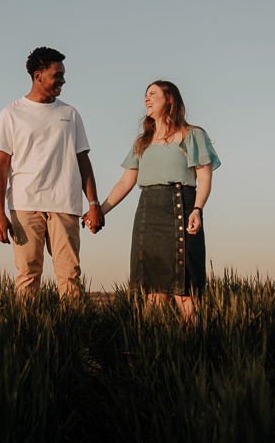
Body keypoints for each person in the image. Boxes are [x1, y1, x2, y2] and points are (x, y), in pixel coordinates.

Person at [91, 80, 220, 318]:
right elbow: (125, 182)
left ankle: (195, 345)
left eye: (152, 94)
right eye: (145, 95)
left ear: (169, 99)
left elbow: (204, 178)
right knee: (152, 291)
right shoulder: (142, 142)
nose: (146, 99)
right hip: (148, 212)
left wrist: (197, 210)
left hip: (182, 207)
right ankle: (155, 347)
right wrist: (100, 210)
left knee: (184, 288)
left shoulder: (192, 135)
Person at [0, 47, 104, 298]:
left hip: (65, 203)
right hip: (24, 205)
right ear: (38, 75)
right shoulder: (10, 114)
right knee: (28, 275)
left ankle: (72, 333)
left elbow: (83, 161)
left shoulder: (70, 114)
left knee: (70, 276)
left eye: (63, 74)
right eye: (58, 74)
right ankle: (29, 333)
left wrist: (93, 203)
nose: (63, 80)